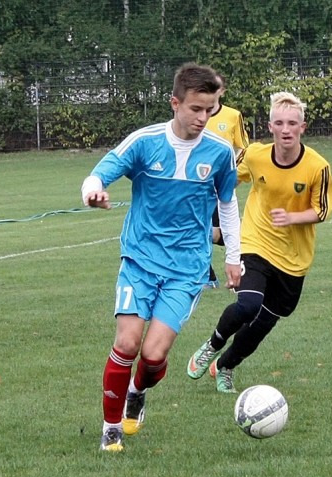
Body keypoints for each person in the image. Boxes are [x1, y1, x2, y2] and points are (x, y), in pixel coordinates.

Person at [82, 63, 242, 452]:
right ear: (175, 103)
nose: (203, 117)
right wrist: (93, 192)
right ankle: (111, 428)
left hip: (186, 269)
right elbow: (99, 173)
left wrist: (233, 257)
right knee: (127, 343)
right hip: (140, 260)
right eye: (196, 109)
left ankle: (137, 390)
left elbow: (228, 204)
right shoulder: (145, 142)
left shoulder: (220, 153)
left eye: (210, 109)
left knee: (153, 356)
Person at [187, 91, 332, 393]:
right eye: (279, 123)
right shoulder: (255, 155)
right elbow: (227, 178)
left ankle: (226, 366)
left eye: (292, 123)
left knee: (264, 323)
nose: (285, 129)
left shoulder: (317, 167)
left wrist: (292, 218)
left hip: (294, 259)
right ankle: (212, 345)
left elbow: (321, 210)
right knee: (249, 304)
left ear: (302, 127)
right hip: (255, 243)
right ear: (270, 127)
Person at [204, 73, 250, 288]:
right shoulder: (196, 115)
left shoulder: (233, 116)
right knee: (201, 230)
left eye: (216, 87)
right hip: (199, 183)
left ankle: (245, 254)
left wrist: (232, 173)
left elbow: (244, 148)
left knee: (214, 233)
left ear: (222, 91)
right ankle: (207, 275)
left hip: (221, 184)